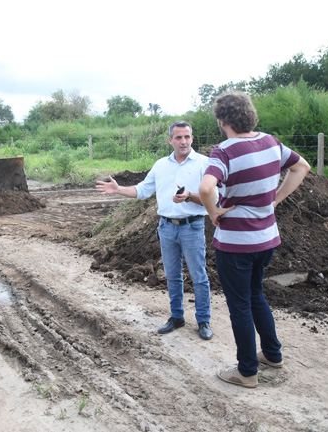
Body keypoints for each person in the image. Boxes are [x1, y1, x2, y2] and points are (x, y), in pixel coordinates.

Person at [199, 91, 310, 388]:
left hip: (236, 244)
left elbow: (207, 188)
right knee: (255, 294)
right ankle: (272, 355)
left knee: (240, 305)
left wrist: (213, 213)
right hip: (267, 239)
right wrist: (276, 199)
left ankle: (247, 372)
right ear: (250, 114)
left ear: (222, 121)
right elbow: (302, 167)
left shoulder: (224, 151)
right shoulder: (271, 143)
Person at [96, 121, 214, 340]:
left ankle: (203, 320)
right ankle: (176, 316)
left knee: (199, 276)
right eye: (178, 137)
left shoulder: (204, 164)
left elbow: (213, 198)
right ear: (170, 140)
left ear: (192, 139)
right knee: (172, 275)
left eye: (187, 137)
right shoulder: (161, 165)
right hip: (166, 227)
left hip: (193, 226)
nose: (183, 141)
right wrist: (118, 189)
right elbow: (142, 190)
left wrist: (189, 196)